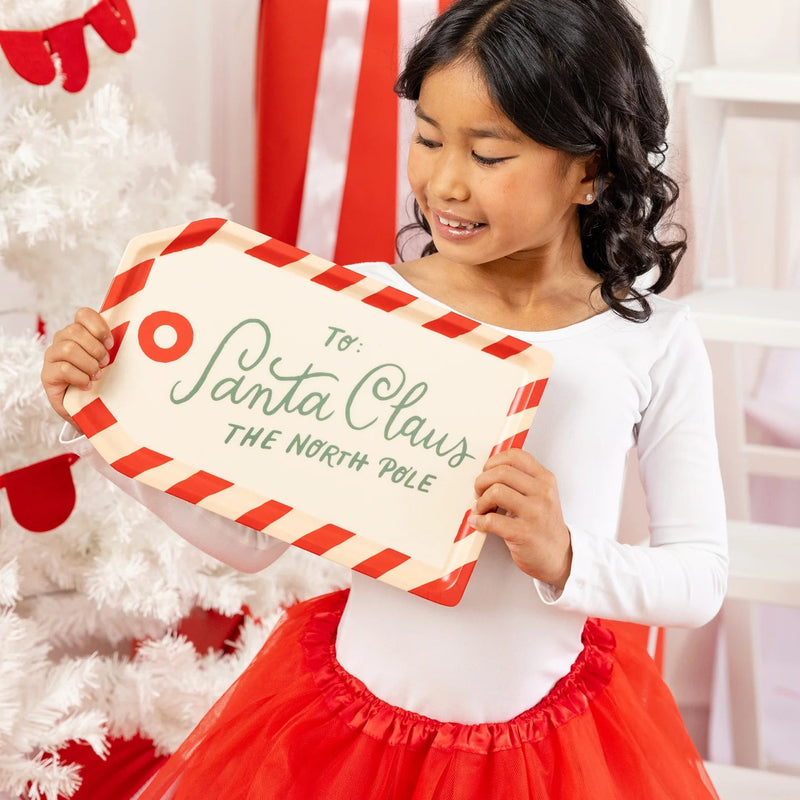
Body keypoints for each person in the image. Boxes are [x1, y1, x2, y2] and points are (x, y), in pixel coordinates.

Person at [41, 0, 728, 797]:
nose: (443, 182)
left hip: (551, 751)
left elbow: (699, 577)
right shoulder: (366, 308)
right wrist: (110, 421)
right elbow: (252, 540)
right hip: (351, 734)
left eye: (489, 154)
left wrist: (568, 556)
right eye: (429, 138)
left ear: (591, 169)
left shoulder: (651, 343)